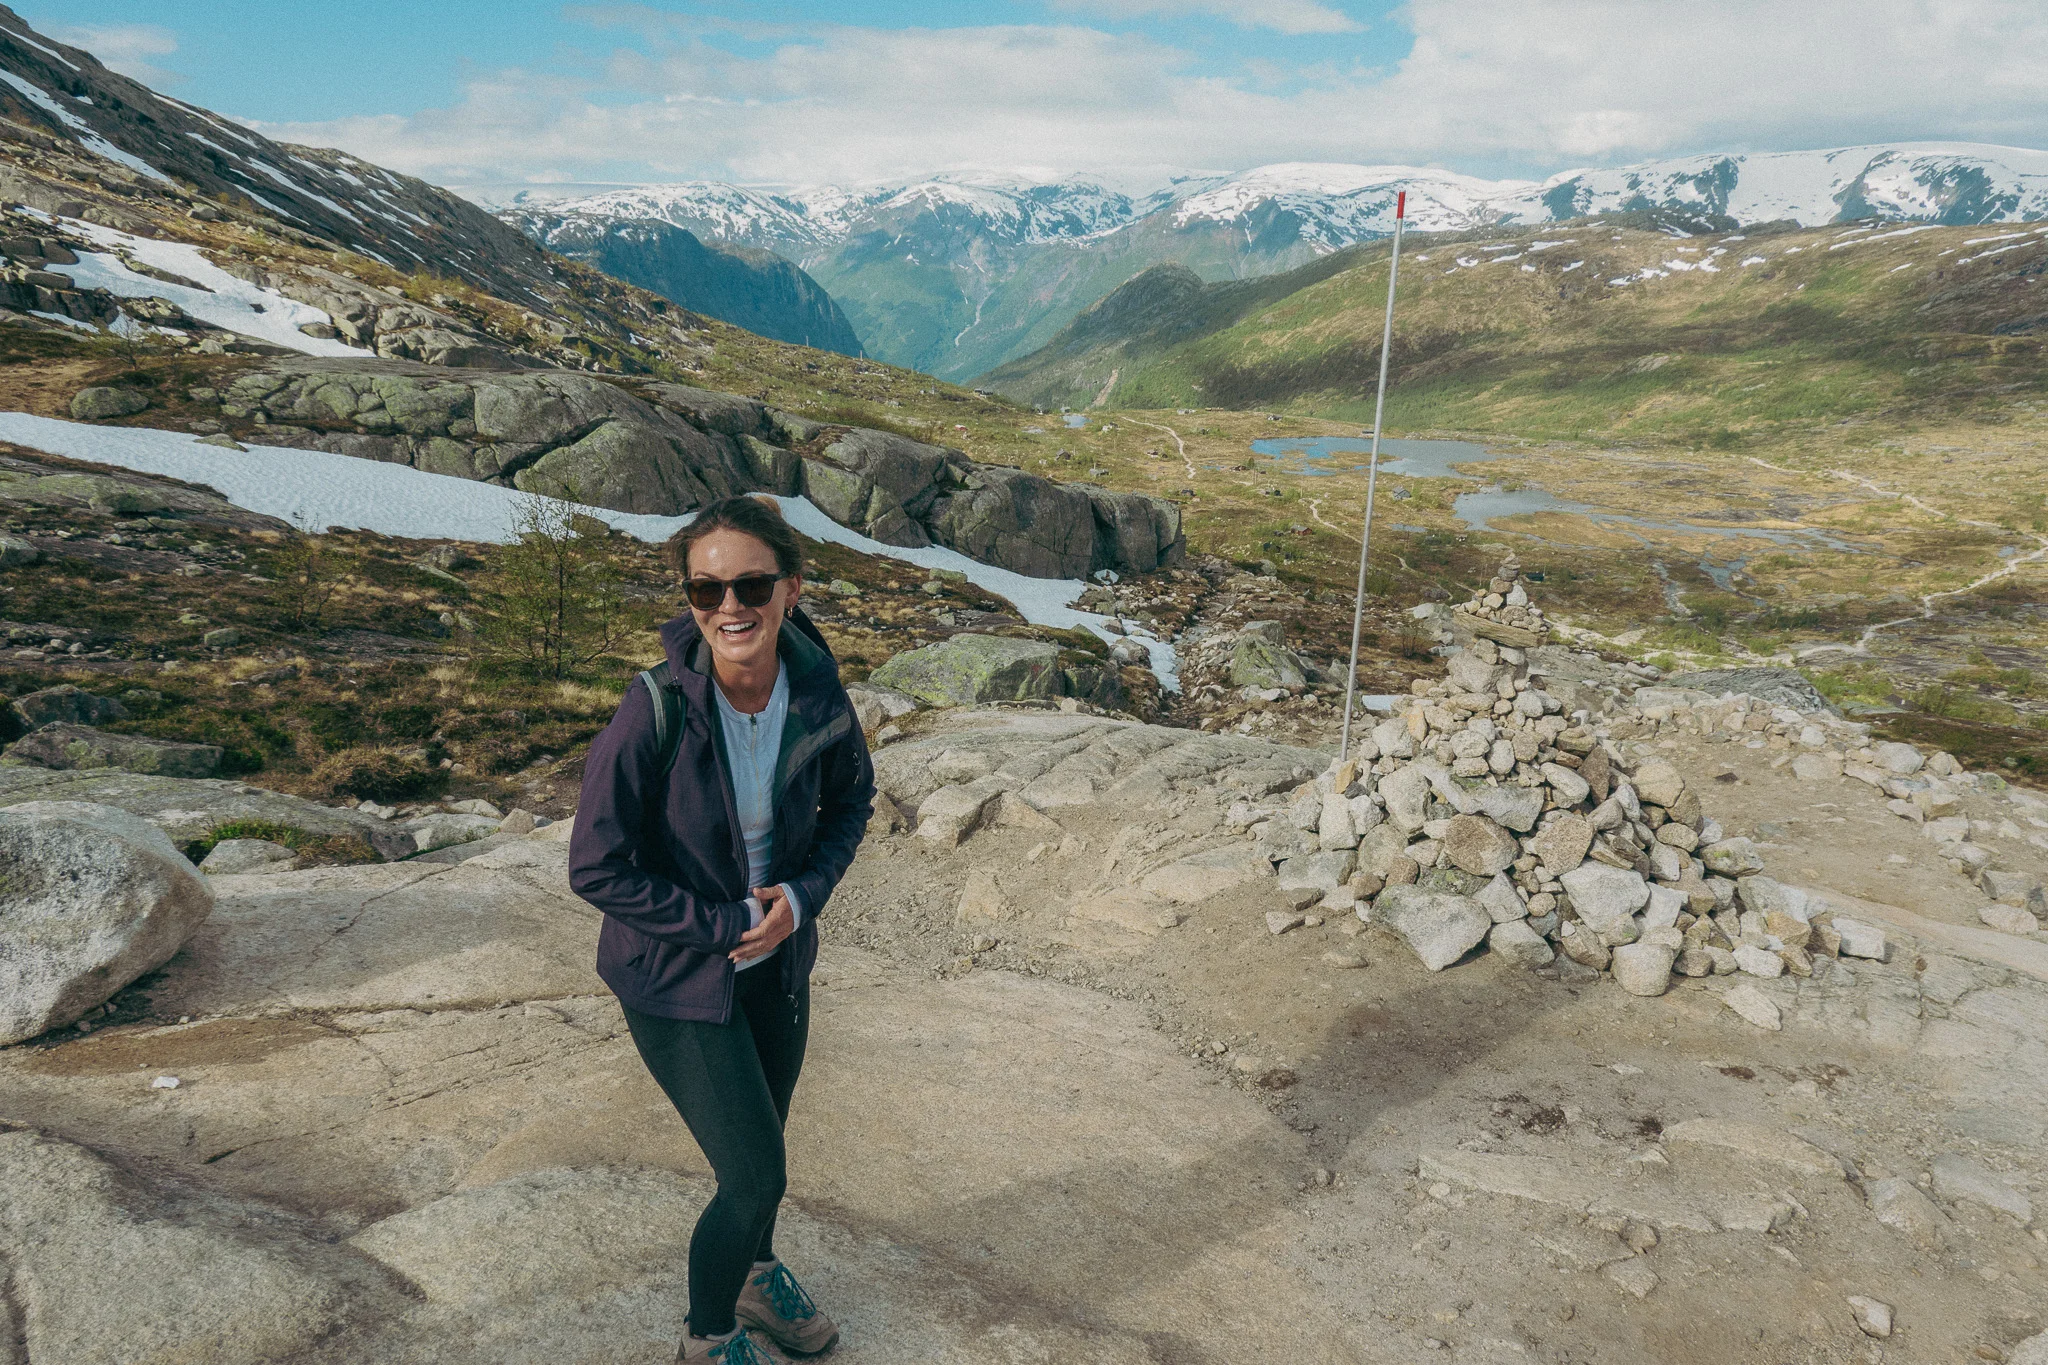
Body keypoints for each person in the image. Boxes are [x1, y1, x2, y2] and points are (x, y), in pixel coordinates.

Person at [570, 494, 875, 1363]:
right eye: (706, 591)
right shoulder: (654, 707)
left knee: (764, 1144)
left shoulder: (815, 690)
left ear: (791, 590)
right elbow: (594, 865)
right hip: (675, 977)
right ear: (689, 598)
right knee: (754, 1173)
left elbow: (852, 798)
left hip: (777, 964)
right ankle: (708, 1338)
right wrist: (722, 921)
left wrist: (800, 899)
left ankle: (755, 1268)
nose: (729, 608)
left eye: (749, 585)